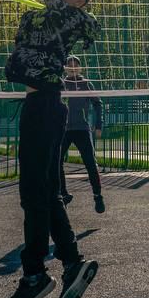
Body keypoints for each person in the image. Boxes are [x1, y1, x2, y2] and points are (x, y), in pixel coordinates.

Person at [0, 0, 128, 298]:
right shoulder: (60, 6)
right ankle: (70, 263)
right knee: (44, 192)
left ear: (78, 1)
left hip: (46, 106)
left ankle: (35, 274)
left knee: (33, 194)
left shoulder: (67, 17)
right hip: (40, 105)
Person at [61, 56, 106, 214]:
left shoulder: (86, 83)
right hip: (64, 130)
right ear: (65, 68)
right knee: (56, 161)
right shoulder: (61, 84)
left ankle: (98, 196)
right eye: (70, 65)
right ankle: (63, 194)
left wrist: (98, 124)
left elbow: (98, 103)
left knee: (90, 163)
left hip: (82, 128)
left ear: (80, 68)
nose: (73, 68)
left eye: (76, 65)